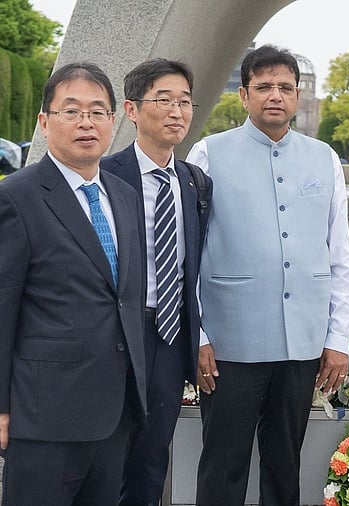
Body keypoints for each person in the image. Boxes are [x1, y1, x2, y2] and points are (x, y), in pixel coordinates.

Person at [186, 44, 349, 506]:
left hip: (301, 343)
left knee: (285, 467)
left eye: (285, 87)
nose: (275, 96)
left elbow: (339, 254)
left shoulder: (324, 158)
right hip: (230, 344)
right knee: (223, 465)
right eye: (263, 87)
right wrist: (197, 334)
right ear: (243, 95)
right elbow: (188, 254)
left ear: (298, 95)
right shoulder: (208, 154)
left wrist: (337, 338)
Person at [0, 62, 147, 505]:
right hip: (44, 416)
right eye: (72, 111)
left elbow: (126, 299)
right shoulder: (16, 197)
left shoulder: (123, 195)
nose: (87, 122)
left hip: (115, 412)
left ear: (113, 120)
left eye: (98, 111)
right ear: (45, 123)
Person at [100, 58, 212, 506]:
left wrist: (201, 334)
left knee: (152, 458)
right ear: (131, 109)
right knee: (107, 456)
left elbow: (198, 267)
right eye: (163, 100)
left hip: (170, 336)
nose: (176, 112)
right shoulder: (105, 176)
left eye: (184, 101)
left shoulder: (193, 182)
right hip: (116, 337)